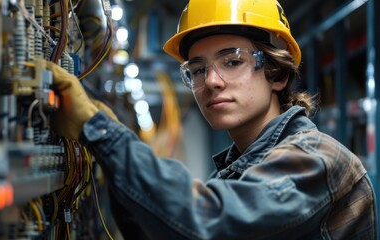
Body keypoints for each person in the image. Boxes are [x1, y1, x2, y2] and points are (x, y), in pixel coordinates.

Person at [46, 0, 378, 239]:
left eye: (232, 61)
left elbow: (211, 224)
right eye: (198, 70)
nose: (212, 81)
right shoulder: (232, 172)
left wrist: (103, 133)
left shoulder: (317, 158)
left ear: (276, 73)